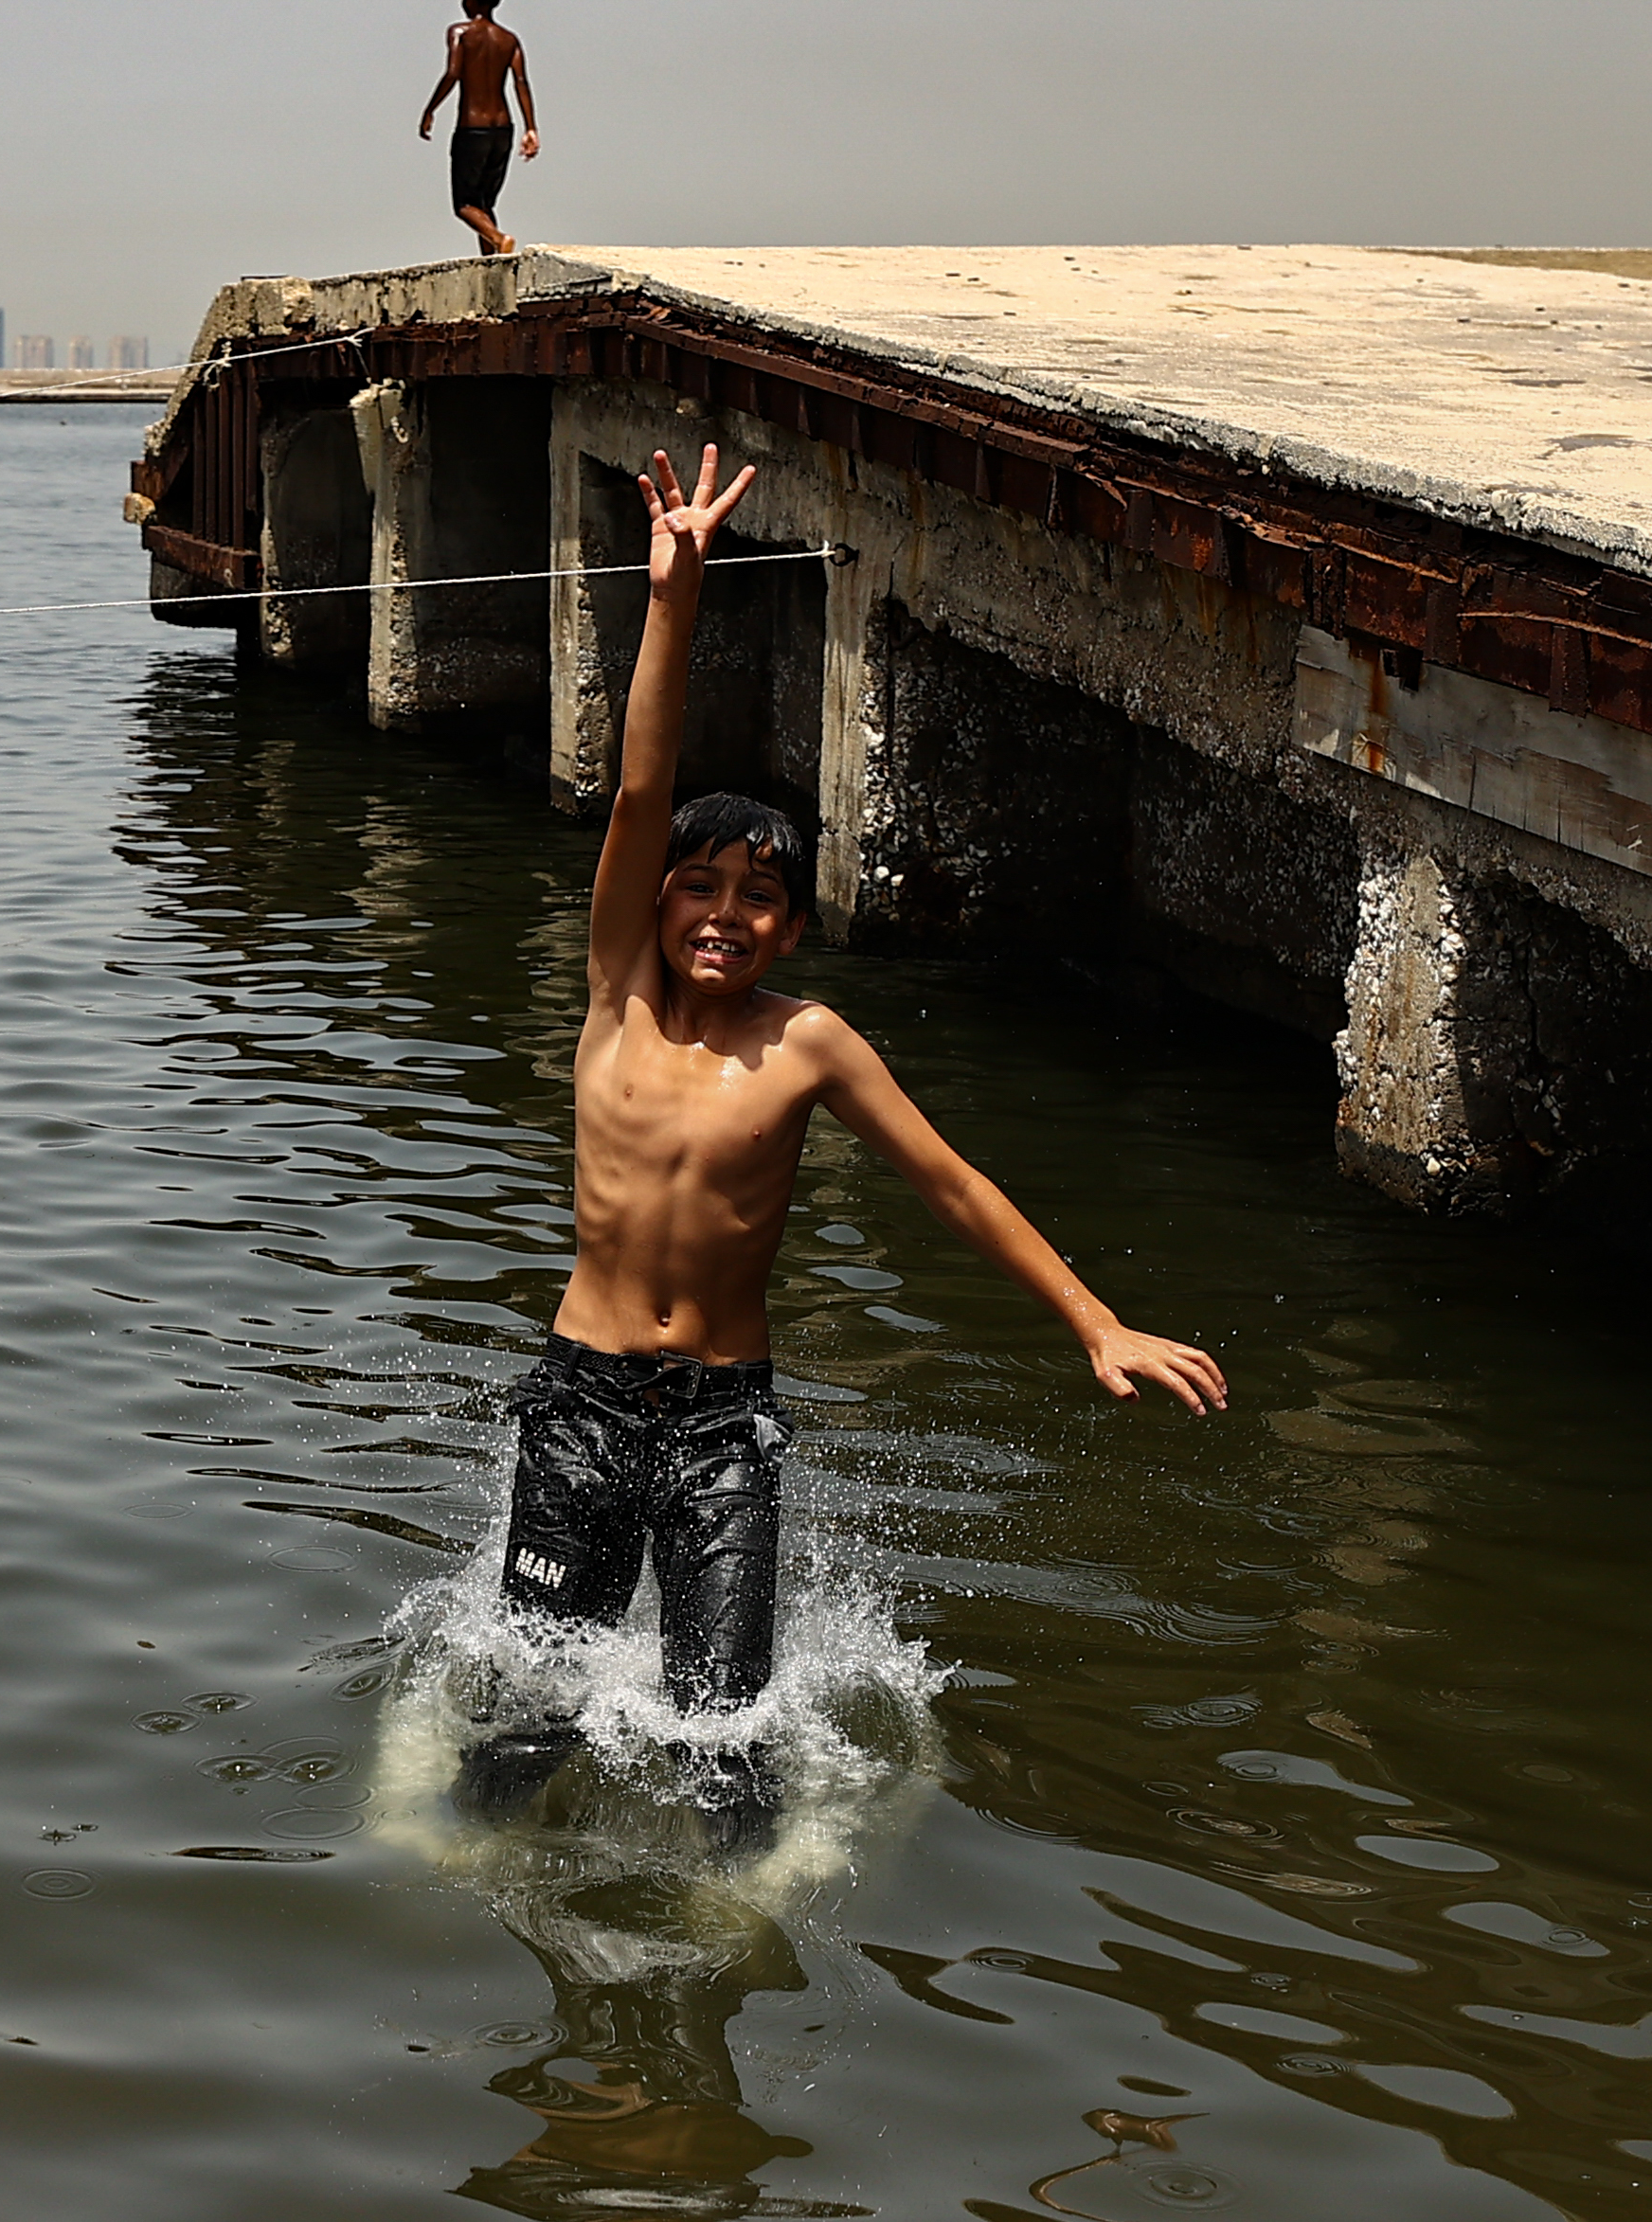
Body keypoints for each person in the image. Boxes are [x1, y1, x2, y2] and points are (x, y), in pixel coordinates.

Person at [458, 445, 1226, 1854]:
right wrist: (675, 595)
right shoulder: (615, 999)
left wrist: (1094, 1319)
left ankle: (726, 1938)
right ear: (657, 901)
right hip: (579, 1398)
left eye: (760, 897)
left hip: (722, 1424)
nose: (723, 911)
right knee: (534, 1708)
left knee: (725, 1727)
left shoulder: (805, 1040)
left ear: (792, 930)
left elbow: (950, 1180)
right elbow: (637, 795)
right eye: (702, 884)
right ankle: (463, 1880)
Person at [421, 0, 538, 256]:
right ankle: (492, 262)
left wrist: (430, 109)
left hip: (472, 128)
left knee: (464, 204)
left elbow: (453, 73)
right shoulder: (509, 39)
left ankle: (499, 240)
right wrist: (531, 128)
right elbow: (521, 82)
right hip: (503, 128)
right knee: (484, 203)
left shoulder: (460, 32)